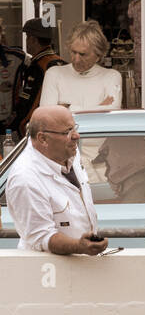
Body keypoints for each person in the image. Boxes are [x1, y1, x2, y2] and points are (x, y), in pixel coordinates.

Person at [4, 105, 106, 254]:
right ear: (43, 139)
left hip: (78, 264)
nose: (76, 136)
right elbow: (42, 237)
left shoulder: (69, 151)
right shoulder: (25, 179)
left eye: (74, 128)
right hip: (48, 271)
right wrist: (79, 246)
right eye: (67, 132)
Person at [38, 20, 122, 112]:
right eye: (73, 52)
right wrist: (99, 108)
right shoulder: (54, 74)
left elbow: (112, 111)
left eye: (83, 54)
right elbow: (46, 114)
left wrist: (68, 107)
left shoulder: (111, 76)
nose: (76, 59)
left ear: (98, 56)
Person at [10, 18, 66, 135]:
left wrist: (20, 125)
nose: (27, 41)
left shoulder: (38, 66)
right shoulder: (61, 62)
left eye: (27, 37)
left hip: (37, 129)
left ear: (33, 39)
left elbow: (31, 103)